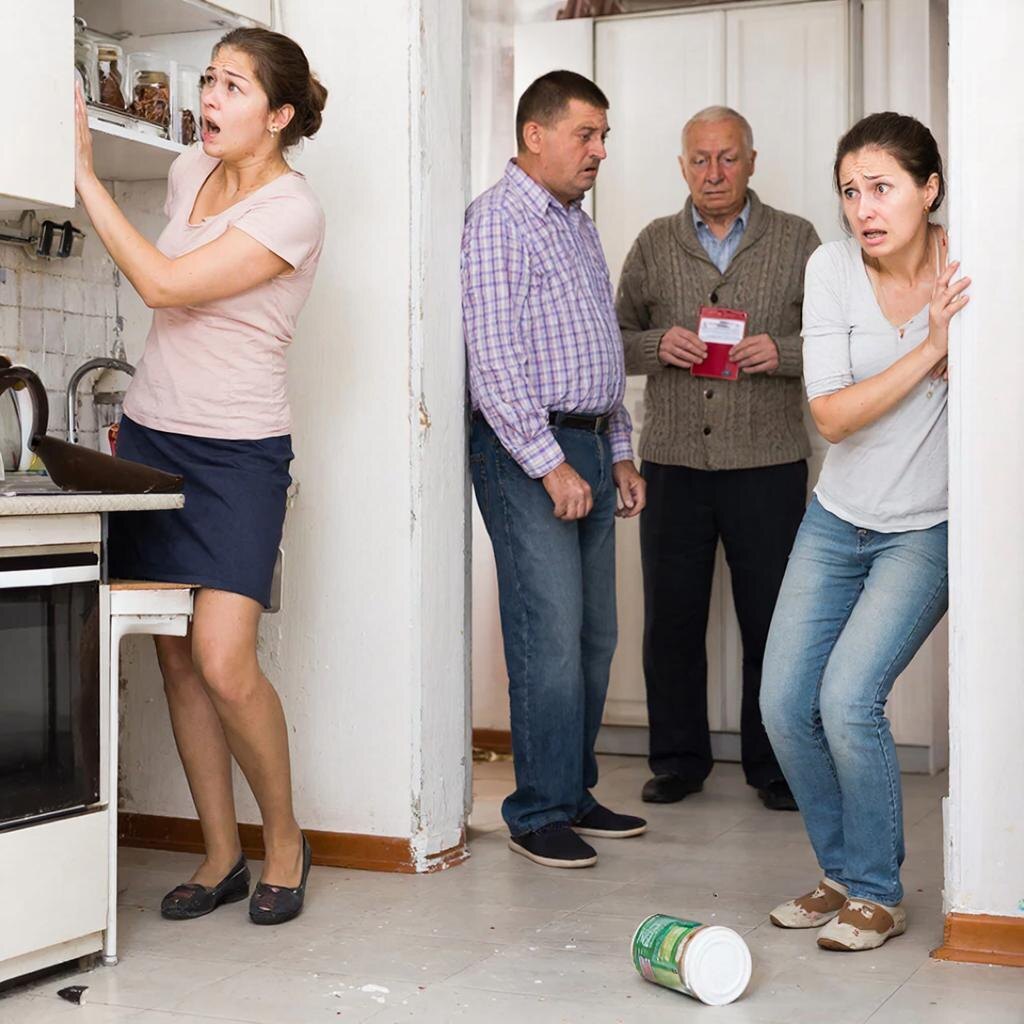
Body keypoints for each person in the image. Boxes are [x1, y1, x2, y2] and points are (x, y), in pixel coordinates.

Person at [73, 27, 327, 925]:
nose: (209, 98)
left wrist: (84, 176)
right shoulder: (189, 171)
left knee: (224, 659)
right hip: (152, 438)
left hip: (238, 454)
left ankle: (285, 842)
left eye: (232, 87)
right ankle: (221, 855)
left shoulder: (293, 210)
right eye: (209, 80)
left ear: (279, 114)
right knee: (177, 657)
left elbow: (166, 286)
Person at [760, 112, 968, 951]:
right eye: (850, 191)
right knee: (783, 705)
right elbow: (833, 416)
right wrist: (929, 350)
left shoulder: (970, 263)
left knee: (848, 700)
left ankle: (878, 890)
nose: (863, 208)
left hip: (926, 528)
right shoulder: (832, 267)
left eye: (882, 187)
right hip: (837, 517)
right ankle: (844, 874)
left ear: (929, 189)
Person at [463, 71, 648, 869]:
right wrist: (550, 466)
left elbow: (600, 344)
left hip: (591, 446)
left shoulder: (576, 223)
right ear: (535, 135)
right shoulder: (497, 221)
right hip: (527, 452)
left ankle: (572, 792)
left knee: (596, 637)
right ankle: (537, 811)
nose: (600, 150)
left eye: (604, 136)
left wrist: (619, 449)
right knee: (549, 636)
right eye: (586, 134)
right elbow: (494, 362)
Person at [616, 106, 819, 811]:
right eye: (699, 159)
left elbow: (837, 337)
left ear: (751, 162)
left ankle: (777, 765)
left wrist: (783, 352)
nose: (713, 172)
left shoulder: (798, 240)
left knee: (774, 621)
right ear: (682, 166)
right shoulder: (654, 242)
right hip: (673, 464)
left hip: (768, 463)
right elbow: (612, 337)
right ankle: (677, 760)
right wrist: (655, 346)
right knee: (672, 619)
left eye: (727, 157)